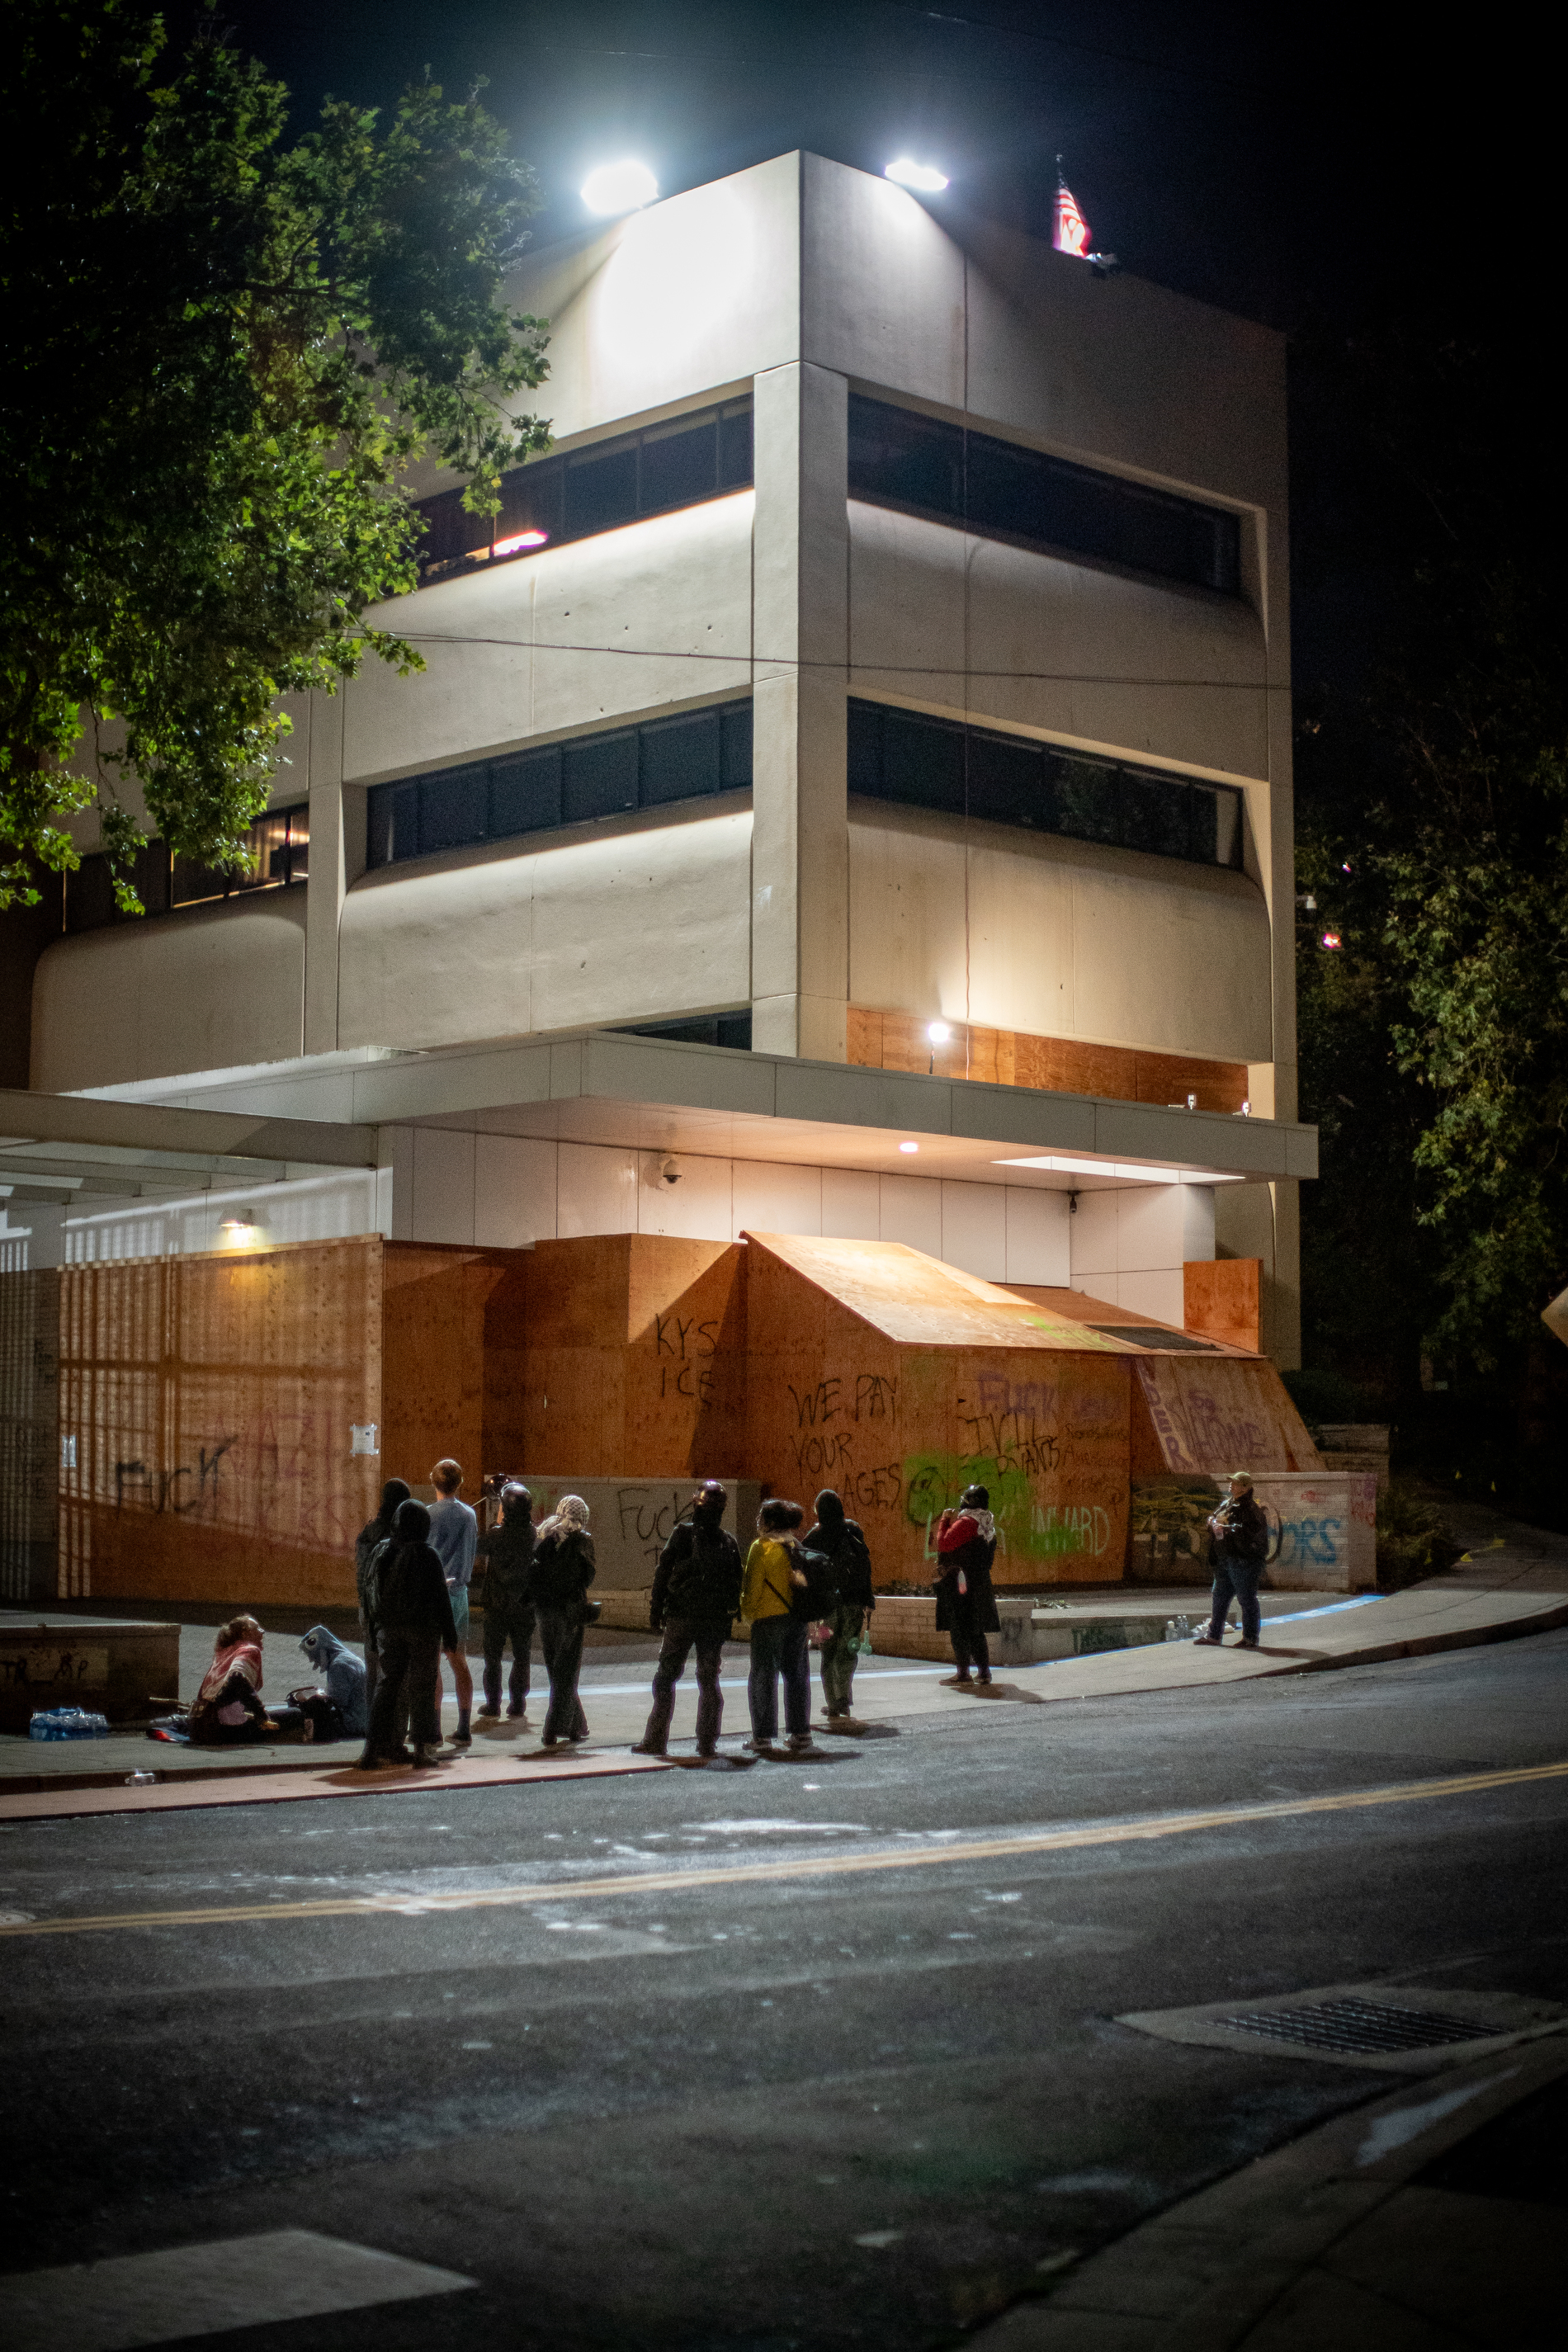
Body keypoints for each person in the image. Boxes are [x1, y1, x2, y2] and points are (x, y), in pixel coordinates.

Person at [632, 1481, 744, 1759]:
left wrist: (655, 1610)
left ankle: (656, 1740)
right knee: (708, 1680)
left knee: (666, 1677)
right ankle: (707, 1742)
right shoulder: (728, 1541)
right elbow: (735, 1585)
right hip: (714, 1621)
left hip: (682, 1617)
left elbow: (662, 1572)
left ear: (697, 1504)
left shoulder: (682, 1534)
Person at [358, 1498, 457, 1769]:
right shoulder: (427, 1554)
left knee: (386, 1688)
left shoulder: (381, 1551)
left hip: (387, 1631)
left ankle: (371, 1749)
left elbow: (368, 1594)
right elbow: (441, 1599)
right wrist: (450, 1636)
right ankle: (421, 1750)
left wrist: (371, 1632)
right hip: (423, 1631)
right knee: (422, 1689)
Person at [740, 1499, 814, 1753]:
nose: (758, 1521)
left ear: (769, 1521)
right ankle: (801, 1733)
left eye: (761, 1516)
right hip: (797, 1620)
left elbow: (752, 1589)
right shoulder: (796, 1545)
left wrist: (746, 1614)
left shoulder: (761, 1547)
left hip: (768, 1619)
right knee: (797, 1676)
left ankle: (762, 1737)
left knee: (763, 1676)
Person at [803, 1488, 876, 1726]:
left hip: (827, 1607)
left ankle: (834, 1701)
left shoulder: (814, 1537)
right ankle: (843, 1698)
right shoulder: (853, 1531)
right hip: (854, 1602)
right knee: (847, 1651)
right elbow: (865, 1566)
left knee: (828, 1652)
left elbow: (805, 1571)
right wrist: (868, 1600)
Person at [529, 1494, 597, 1747]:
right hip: (570, 1610)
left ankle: (577, 1725)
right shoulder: (582, 1539)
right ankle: (553, 1728)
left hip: (545, 1609)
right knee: (567, 1670)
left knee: (555, 1668)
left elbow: (534, 1564)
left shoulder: (544, 1531)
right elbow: (588, 1576)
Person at [475, 1481, 537, 1721]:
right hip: (524, 1605)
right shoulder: (533, 1534)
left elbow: (477, 1549)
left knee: (493, 1658)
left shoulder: (495, 1534)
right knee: (522, 1655)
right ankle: (518, 1703)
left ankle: (493, 1703)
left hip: (497, 1604)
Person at [187, 1618, 304, 1745]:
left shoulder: (224, 1651)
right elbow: (237, 1677)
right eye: (257, 1629)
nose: (262, 1632)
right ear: (245, 1634)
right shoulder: (249, 1650)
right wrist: (262, 1718)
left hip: (205, 1727)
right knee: (296, 1714)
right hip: (229, 1729)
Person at [427, 1458, 477, 1749]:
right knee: (459, 1661)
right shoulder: (469, 1515)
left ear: (433, 1482)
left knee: (432, 1663)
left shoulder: (427, 1514)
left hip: (433, 1594)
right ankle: (464, 1726)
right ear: (460, 1483)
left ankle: (434, 1728)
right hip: (459, 1594)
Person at [354, 1478, 410, 1724]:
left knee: (373, 1670)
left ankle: (372, 1726)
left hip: (368, 1609)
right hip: (394, 1613)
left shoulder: (368, 1530)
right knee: (397, 1674)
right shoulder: (400, 1536)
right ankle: (394, 1728)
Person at [933, 1483, 1000, 1688]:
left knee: (959, 1627)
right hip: (980, 1581)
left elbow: (944, 1543)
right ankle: (984, 1672)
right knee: (975, 1628)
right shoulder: (987, 1523)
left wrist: (944, 1520)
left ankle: (963, 1673)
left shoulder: (967, 1523)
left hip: (961, 1583)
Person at [1193, 1472, 1269, 1650]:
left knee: (1246, 1598)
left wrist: (1226, 1529)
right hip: (1224, 1558)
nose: (1231, 1485)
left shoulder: (1250, 1508)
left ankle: (1250, 1638)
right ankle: (1213, 1635)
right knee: (1219, 1596)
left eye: (1235, 1483)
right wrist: (1212, 1521)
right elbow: (1213, 1517)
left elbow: (1249, 1532)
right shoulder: (1228, 1504)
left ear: (1245, 1487)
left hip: (1243, 1560)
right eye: (1231, 1482)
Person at [292, 1625, 369, 1743]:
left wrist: (314, 1697)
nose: (312, 1660)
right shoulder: (347, 1658)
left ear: (322, 1651)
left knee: (298, 1715)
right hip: (363, 1719)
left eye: (313, 1656)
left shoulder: (338, 1666)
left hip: (353, 1723)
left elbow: (337, 1702)